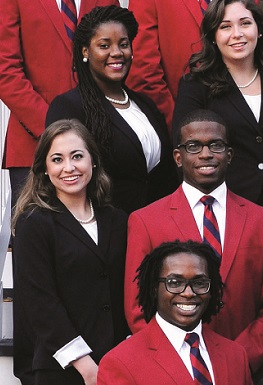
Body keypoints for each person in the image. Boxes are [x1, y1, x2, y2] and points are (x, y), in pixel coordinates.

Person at [124, 109, 263, 374]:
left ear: (229, 155)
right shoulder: (145, 221)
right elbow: (138, 308)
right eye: (193, 146)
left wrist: (235, 362)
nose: (206, 154)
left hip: (242, 369)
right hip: (171, 370)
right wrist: (176, 363)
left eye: (216, 145)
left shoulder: (262, 220)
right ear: (178, 157)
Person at [173, 0, 263, 248]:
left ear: (259, 29)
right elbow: (187, 157)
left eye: (245, 23)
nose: (237, 34)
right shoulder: (196, 87)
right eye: (225, 26)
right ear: (214, 36)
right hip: (220, 220)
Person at [12, 119, 129, 384]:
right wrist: (87, 367)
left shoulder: (117, 220)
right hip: (61, 367)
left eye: (77, 156)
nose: (69, 167)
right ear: (44, 169)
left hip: (116, 362)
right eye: (57, 159)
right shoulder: (34, 223)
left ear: (93, 161)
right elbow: (40, 303)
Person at [45, 5, 178, 214]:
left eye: (123, 44)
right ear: (85, 51)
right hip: (107, 230)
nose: (116, 53)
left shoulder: (146, 105)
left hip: (154, 228)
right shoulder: (69, 107)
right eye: (104, 45)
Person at [0, 0, 117, 206]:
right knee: (34, 231)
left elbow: (116, 59)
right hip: (33, 145)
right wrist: (54, 129)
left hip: (97, 141)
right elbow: (6, 72)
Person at [98, 241, 251, 384]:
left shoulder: (236, 355)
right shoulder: (119, 362)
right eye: (175, 283)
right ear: (154, 288)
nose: (189, 293)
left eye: (199, 283)